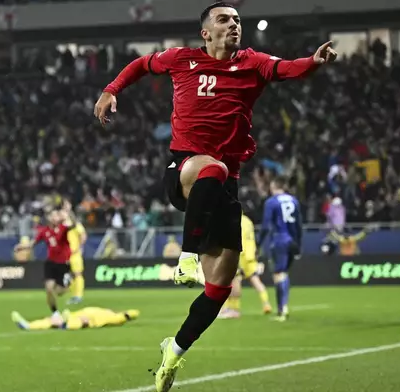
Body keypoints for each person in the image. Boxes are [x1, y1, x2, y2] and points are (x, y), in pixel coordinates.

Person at [93, 3, 336, 391]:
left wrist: (314, 60)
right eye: (225, 19)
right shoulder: (181, 59)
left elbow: (287, 69)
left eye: (237, 20)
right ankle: (186, 255)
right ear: (206, 32)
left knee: (219, 288)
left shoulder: (252, 62)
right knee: (213, 168)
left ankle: (172, 351)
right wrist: (110, 91)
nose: (234, 24)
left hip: (224, 191)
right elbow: (140, 65)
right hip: (185, 173)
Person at [14, 208, 74, 320]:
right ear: (49, 218)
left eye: (57, 215)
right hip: (50, 263)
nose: (55, 217)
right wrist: (21, 247)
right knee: (49, 289)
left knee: (60, 292)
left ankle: (68, 281)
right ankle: (55, 313)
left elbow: (72, 225)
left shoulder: (63, 228)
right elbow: (32, 244)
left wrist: (67, 214)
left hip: (63, 264)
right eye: (53, 215)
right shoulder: (44, 231)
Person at [257, 177, 302, 322]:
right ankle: (283, 307)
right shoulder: (294, 201)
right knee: (284, 273)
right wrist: (298, 245)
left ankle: (282, 310)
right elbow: (299, 225)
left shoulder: (271, 202)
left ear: (274, 186)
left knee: (279, 274)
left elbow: (265, 226)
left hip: (278, 240)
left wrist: (259, 244)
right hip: (291, 240)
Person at [218, 212, 272, 319]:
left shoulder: (234, 222)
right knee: (256, 281)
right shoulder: (247, 221)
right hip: (251, 254)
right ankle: (266, 303)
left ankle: (233, 309)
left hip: (240, 256)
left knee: (233, 281)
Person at [11, 307, 139, 331]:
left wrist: (128, 315)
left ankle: (27, 325)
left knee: (53, 321)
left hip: (83, 319)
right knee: (51, 320)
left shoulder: (112, 317)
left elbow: (125, 316)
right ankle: (27, 325)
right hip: (76, 315)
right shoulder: (107, 313)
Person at [63, 200, 87, 305]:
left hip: (74, 253)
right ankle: (74, 296)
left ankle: (79, 296)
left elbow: (83, 235)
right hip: (64, 254)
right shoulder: (61, 223)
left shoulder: (74, 222)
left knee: (77, 273)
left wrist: (79, 247)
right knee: (70, 275)